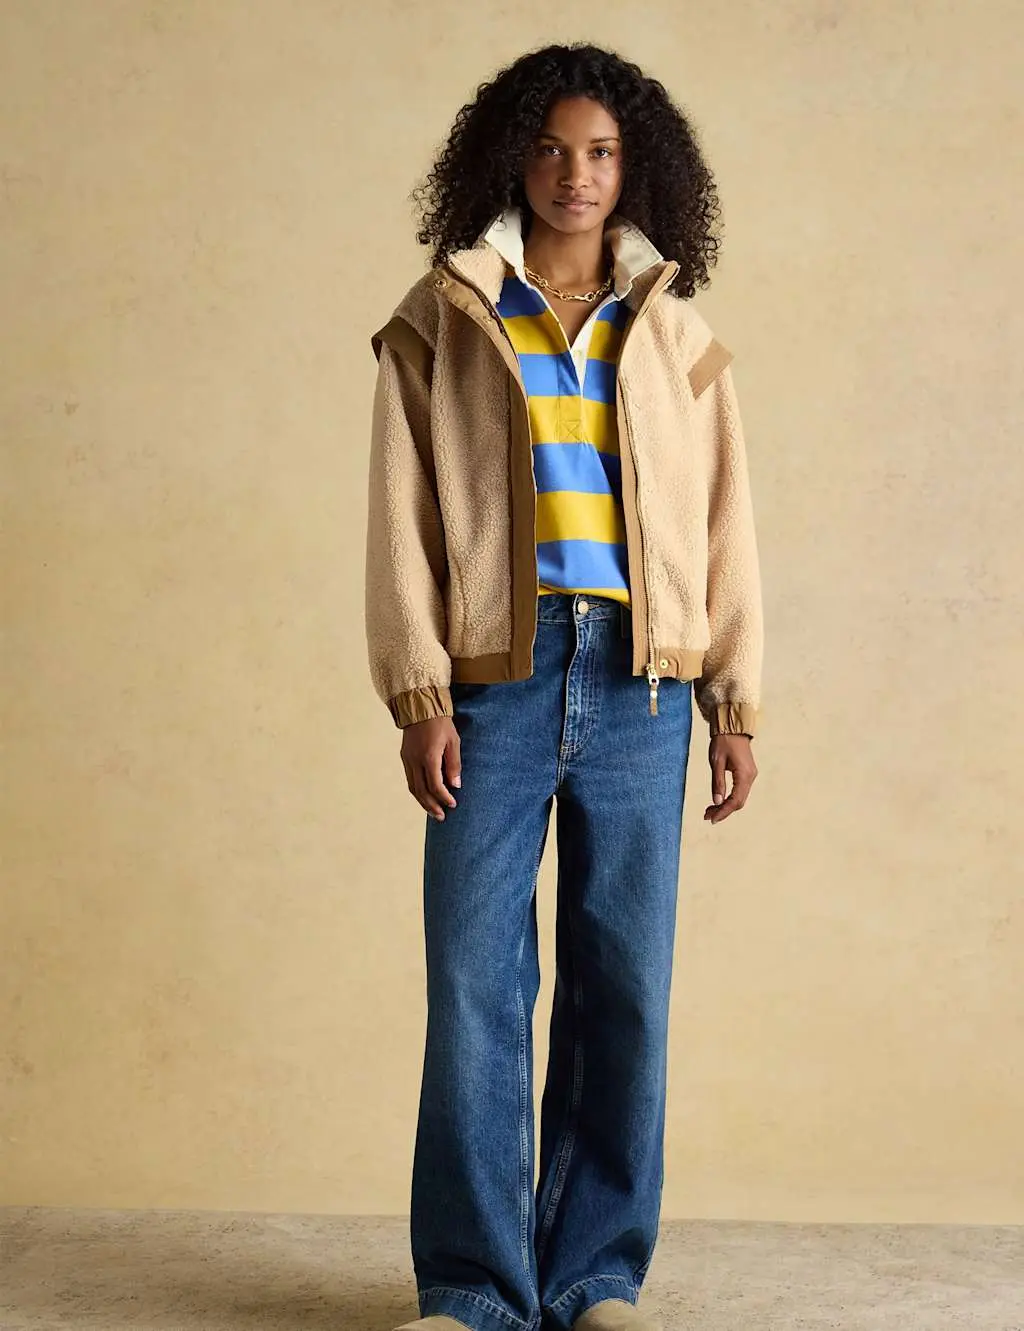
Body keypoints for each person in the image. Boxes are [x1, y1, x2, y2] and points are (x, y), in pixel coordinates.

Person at [364, 41, 764, 1331]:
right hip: (499, 677)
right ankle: (474, 1288)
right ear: (509, 157)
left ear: (635, 167)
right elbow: (399, 514)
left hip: (644, 684)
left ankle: (595, 1277)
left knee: (623, 984)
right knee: (476, 982)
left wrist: (732, 702)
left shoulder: (675, 332)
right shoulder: (445, 314)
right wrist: (422, 694)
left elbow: (724, 520)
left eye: (600, 152)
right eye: (549, 147)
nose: (574, 174)